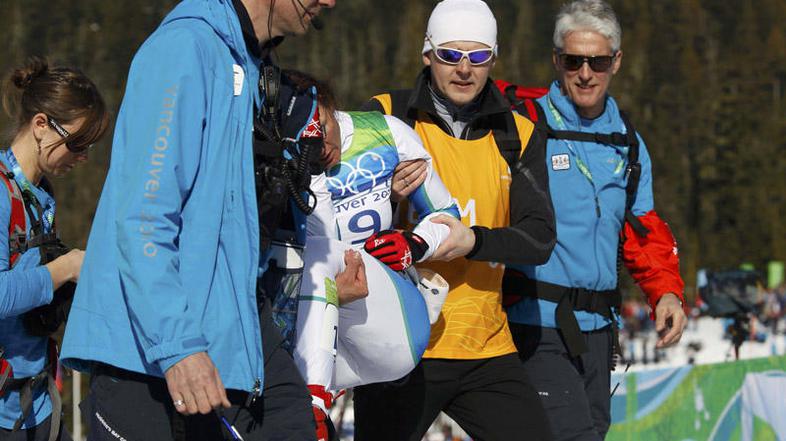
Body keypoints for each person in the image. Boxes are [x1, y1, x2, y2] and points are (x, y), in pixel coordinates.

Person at [60, 1, 336, 440]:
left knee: (294, 425)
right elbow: (144, 217)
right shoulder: (184, 49)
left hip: (231, 321)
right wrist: (178, 347)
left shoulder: (250, 64)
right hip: (147, 347)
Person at [352, 1, 556, 440]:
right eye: (450, 54)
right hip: (401, 343)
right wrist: (386, 193)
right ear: (428, 55)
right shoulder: (387, 114)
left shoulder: (517, 133)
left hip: (484, 346)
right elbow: (340, 208)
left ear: (493, 60)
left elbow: (539, 238)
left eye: (478, 56)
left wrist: (473, 242)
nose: (464, 69)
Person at [502, 1, 687, 439]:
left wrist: (665, 292)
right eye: (574, 61)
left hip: (600, 332)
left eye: (598, 62)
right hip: (535, 324)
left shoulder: (627, 141)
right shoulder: (524, 127)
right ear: (556, 60)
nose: (585, 74)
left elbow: (642, 229)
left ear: (616, 62)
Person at [281, 71, 458, 436]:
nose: (320, 147)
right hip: (331, 341)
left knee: (320, 253)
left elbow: (447, 214)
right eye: (307, 138)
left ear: (331, 106)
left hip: (392, 321)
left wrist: (414, 244)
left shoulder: (384, 132)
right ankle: (308, 413)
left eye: (323, 129)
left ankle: (314, 410)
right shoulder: (290, 161)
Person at [0, 57, 109, 441]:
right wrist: (66, 268)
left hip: (39, 404)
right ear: (41, 125)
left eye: (89, 147)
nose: (83, 157)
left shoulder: (41, 196)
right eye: (77, 143)